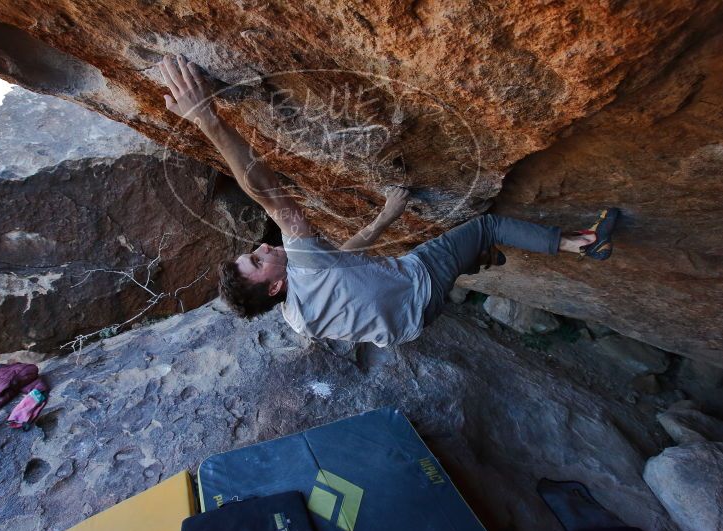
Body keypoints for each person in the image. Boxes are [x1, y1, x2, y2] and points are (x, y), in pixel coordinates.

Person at [159, 55, 619, 347]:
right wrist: (207, 118)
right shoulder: (303, 265)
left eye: (253, 251)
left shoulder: (300, 321)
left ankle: (476, 260)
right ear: (274, 286)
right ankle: (582, 243)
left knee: (432, 256)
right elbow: (266, 191)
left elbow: (347, 258)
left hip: (411, 326)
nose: (263, 247)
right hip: (418, 285)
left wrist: (383, 218)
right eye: (258, 261)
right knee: (485, 226)